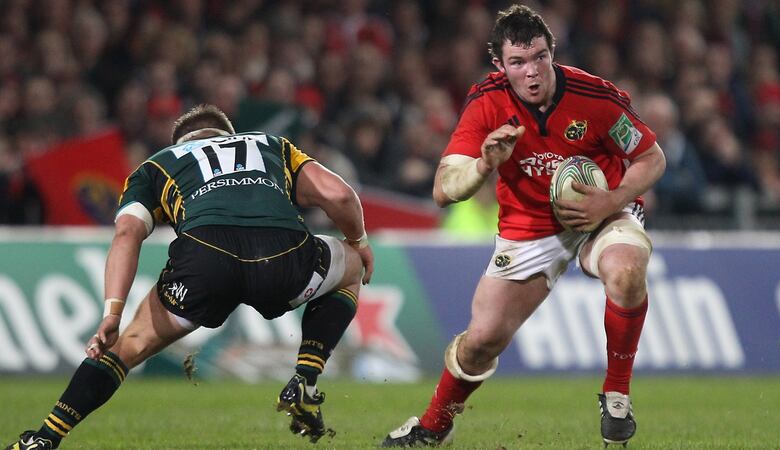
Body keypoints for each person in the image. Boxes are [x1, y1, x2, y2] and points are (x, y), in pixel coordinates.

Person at [6, 104, 374, 450]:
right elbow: (339, 195)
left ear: (181, 142)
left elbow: (127, 234)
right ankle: (305, 380)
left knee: (129, 345)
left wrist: (112, 313)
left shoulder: (156, 164)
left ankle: (44, 438)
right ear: (230, 135)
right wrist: (359, 242)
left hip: (204, 263)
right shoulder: (268, 145)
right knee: (351, 266)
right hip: (281, 258)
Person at [382, 4, 665, 448]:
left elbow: (651, 157)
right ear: (499, 64)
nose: (531, 72)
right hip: (530, 226)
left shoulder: (596, 97)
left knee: (627, 271)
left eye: (539, 57)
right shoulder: (486, 102)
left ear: (553, 52)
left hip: (602, 211)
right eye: (517, 62)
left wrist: (611, 200)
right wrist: (483, 165)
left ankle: (616, 395)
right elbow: (443, 189)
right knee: (481, 341)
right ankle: (435, 426)